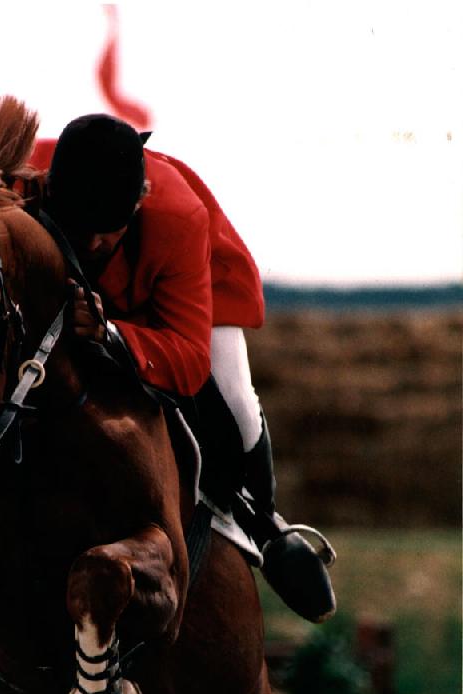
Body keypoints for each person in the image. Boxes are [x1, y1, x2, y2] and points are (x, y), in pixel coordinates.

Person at [28, 114, 336, 623]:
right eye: (81, 227)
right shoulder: (25, 176)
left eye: (107, 230)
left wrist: (110, 334)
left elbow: (190, 361)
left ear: (137, 202)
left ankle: (267, 526)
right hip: (88, 298)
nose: (94, 244)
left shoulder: (177, 217)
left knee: (236, 405)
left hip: (188, 292)